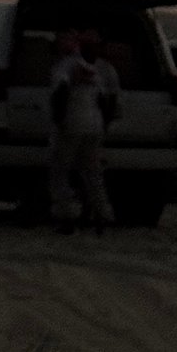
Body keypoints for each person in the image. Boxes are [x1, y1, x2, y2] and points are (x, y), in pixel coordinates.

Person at [49, 27, 121, 233]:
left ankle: (65, 216)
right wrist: (103, 125)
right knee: (92, 172)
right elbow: (105, 100)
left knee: (60, 171)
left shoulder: (66, 65)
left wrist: (59, 119)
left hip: (72, 123)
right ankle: (102, 215)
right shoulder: (97, 69)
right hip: (94, 124)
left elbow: (61, 91)